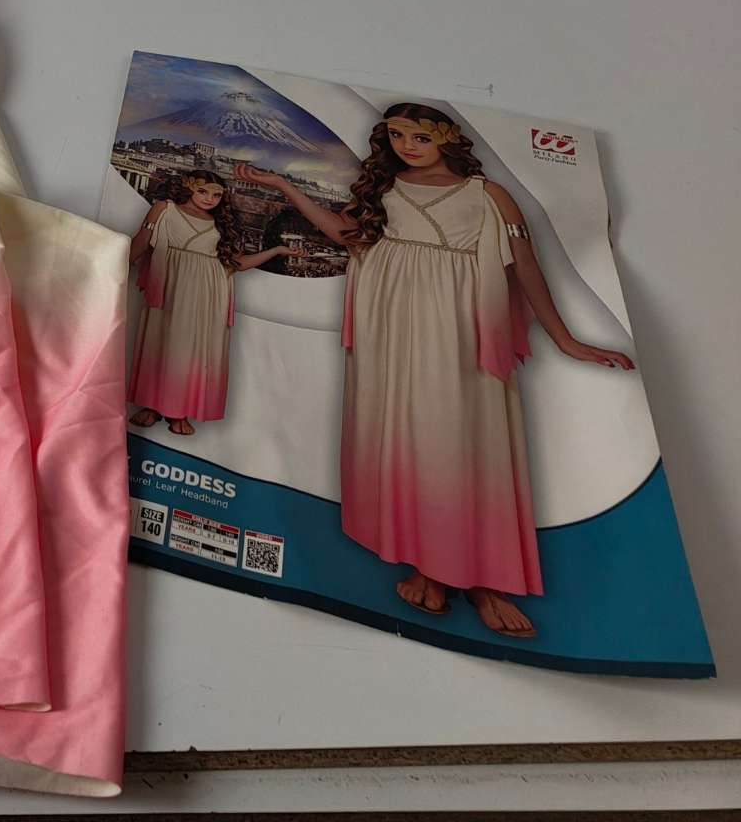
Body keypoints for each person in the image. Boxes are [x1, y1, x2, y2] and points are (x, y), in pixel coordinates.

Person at [235, 104, 634, 638]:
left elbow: (524, 265)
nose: (407, 145)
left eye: (420, 136)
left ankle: (484, 580)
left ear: (447, 138)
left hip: (460, 326)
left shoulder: (488, 194)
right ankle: (430, 567)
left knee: (467, 447)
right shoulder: (384, 189)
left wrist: (566, 340)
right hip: (389, 326)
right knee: (410, 444)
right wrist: (283, 186)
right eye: (397, 135)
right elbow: (347, 235)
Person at [127, 169, 293, 435]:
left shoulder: (219, 224)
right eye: (202, 191)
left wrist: (277, 250)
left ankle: (179, 411)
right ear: (189, 187)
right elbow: (142, 243)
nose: (209, 198)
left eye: (216, 195)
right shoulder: (165, 209)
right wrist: (117, 264)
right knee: (161, 343)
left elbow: (237, 263)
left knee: (192, 351)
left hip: (206, 292)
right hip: (169, 283)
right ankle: (152, 406)